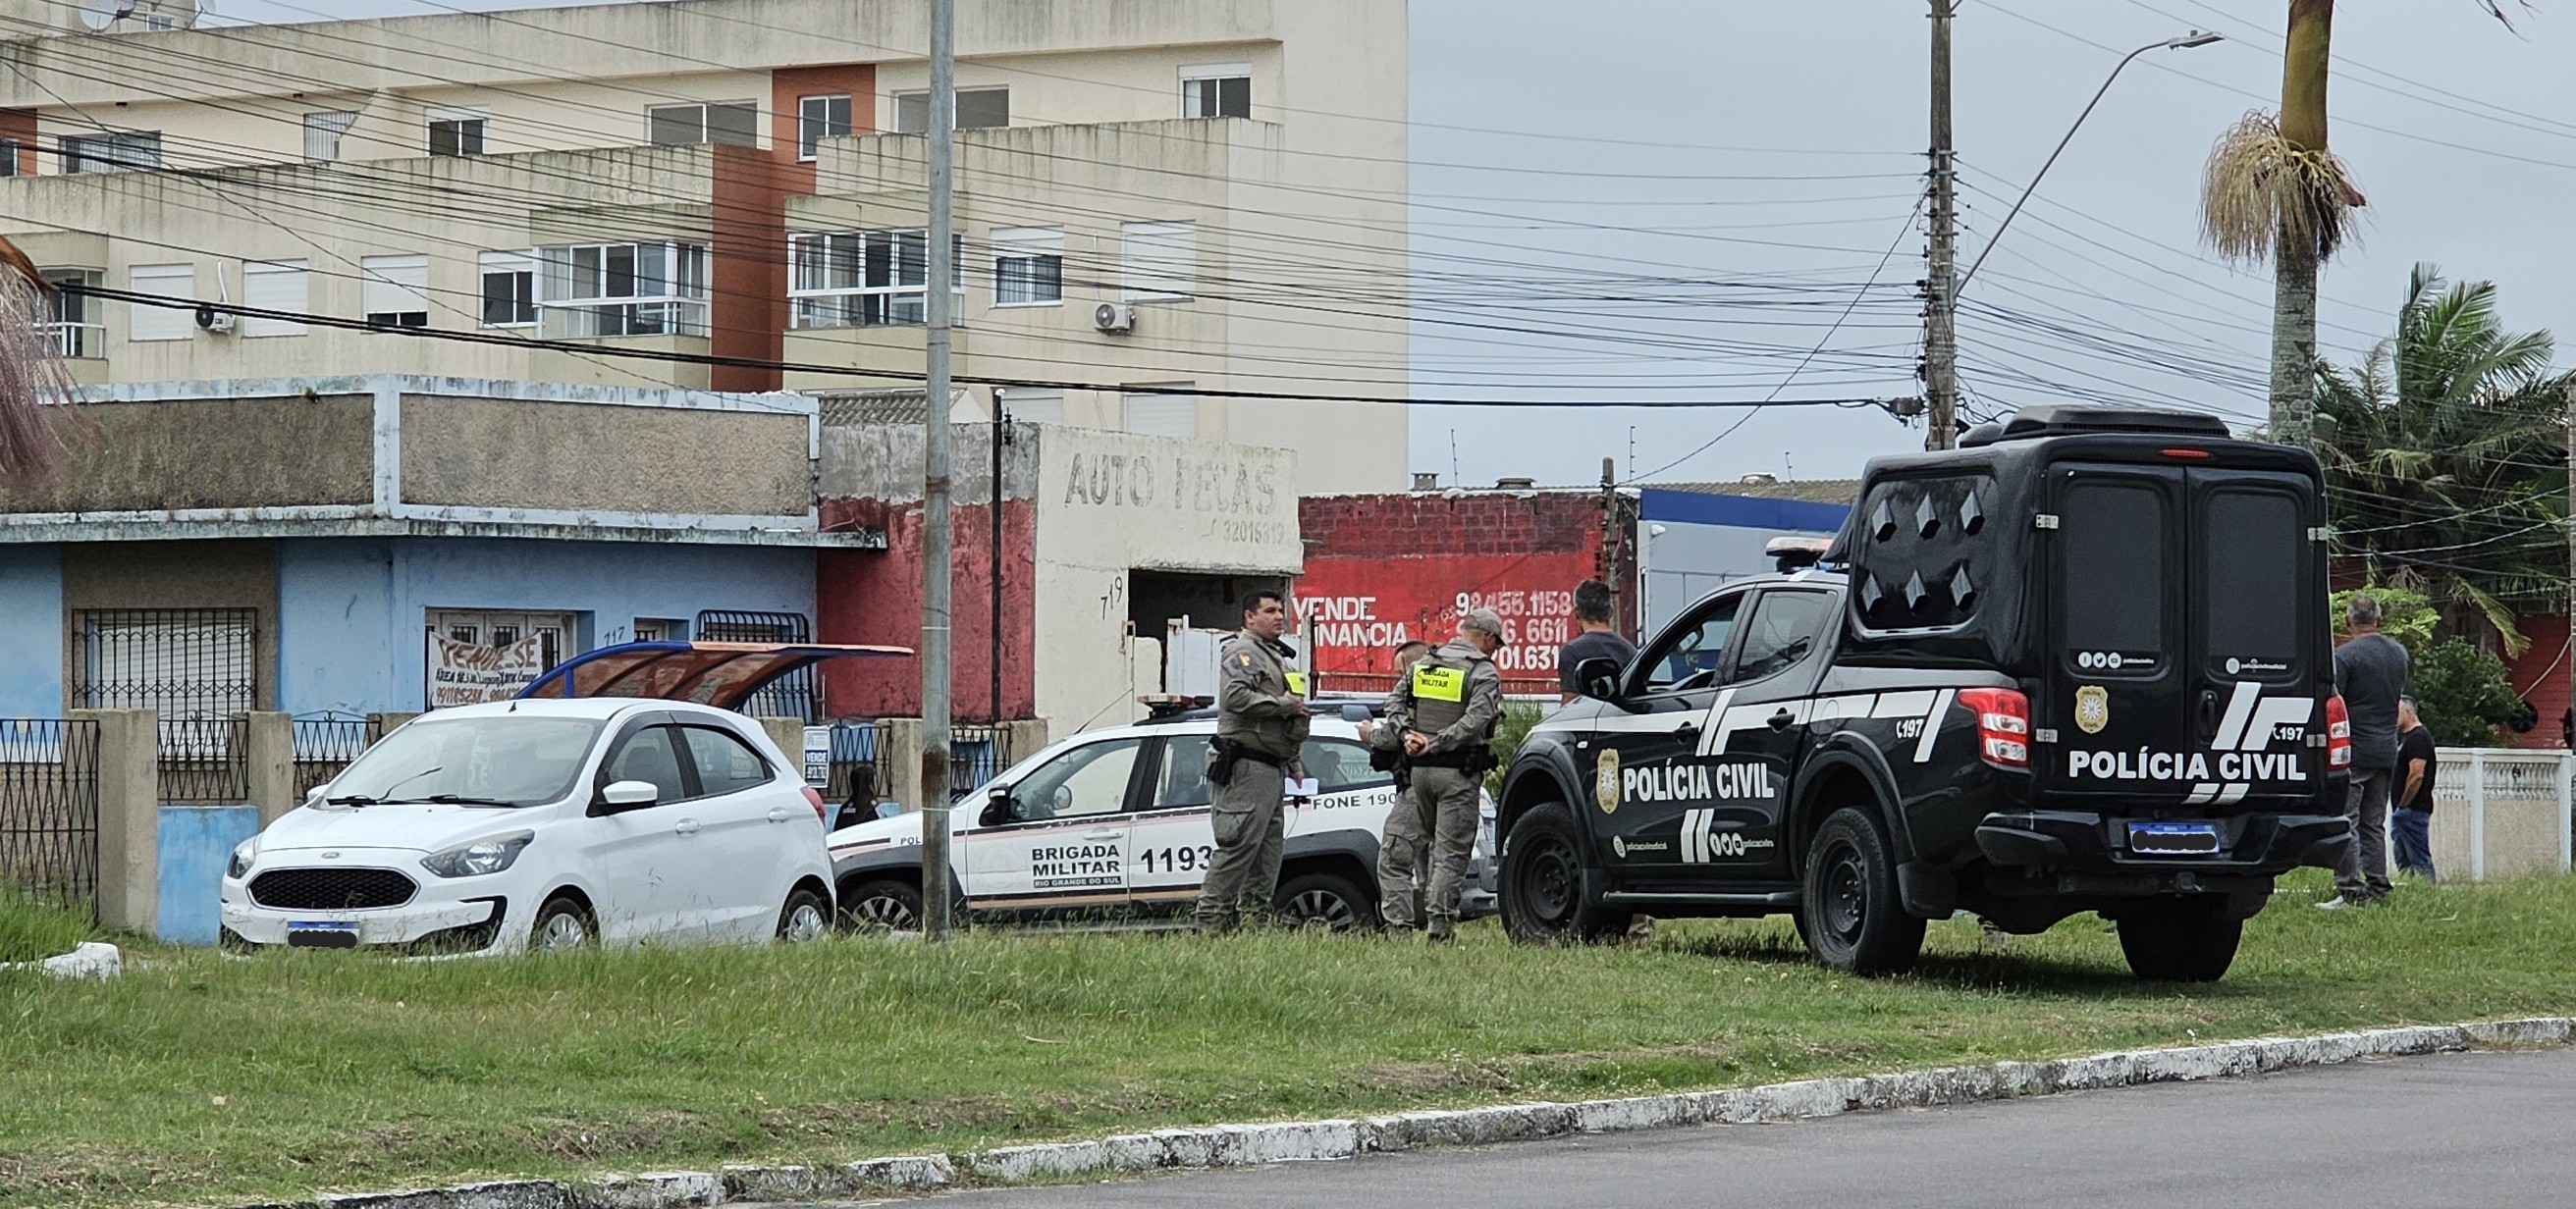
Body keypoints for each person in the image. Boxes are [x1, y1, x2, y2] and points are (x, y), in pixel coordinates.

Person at [1377, 608, 1506, 941]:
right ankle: (1439, 930)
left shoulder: (1426, 663)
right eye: (1496, 645)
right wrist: (1436, 744)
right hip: (1457, 774)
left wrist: (1408, 736)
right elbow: (1477, 720)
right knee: (1449, 856)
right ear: (1487, 638)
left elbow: (1392, 705)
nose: (1495, 651)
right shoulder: (1482, 670)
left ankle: (1398, 931)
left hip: (1417, 774)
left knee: (1395, 852)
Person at [1197, 590, 1309, 932]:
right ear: (1249, 617)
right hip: (1246, 765)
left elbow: (1289, 713)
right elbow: (1236, 697)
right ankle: (1211, 923)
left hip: (1271, 767)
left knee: (1268, 853)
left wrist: (1293, 759)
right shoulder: (1243, 651)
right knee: (1239, 845)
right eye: (1270, 611)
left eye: (1281, 611)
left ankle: (1256, 925)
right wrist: (1285, 706)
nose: (1279, 617)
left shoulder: (1276, 657)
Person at [2322, 593, 2409, 910]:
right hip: (2387, 748)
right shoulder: (2398, 654)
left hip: (2355, 749)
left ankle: (2349, 888)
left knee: (2347, 819)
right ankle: (2378, 885)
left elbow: (2334, 703)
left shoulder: (2345, 656)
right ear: (2379, 620)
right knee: (2374, 822)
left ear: (2348, 621)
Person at [1558, 579, 1637, 705]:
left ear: (1577, 613)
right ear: (1610, 612)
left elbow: (1570, 702)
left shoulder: (1571, 652)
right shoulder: (1629, 650)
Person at [2392, 696, 2438, 882]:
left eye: (2397, 713)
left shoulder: (2418, 738)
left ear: (2408, 713)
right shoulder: (2407, 738)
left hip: (2413, 809)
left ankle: (2428, 893)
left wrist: (2404, 803)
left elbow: (2417, 774)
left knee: (2419, 858)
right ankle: (2409, 892)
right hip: (2404, 811)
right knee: (2403, 858)